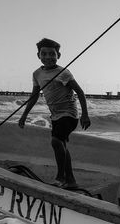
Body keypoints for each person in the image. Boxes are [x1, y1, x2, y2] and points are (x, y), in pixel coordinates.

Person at [18, 38, 91, 189]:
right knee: (62, 145)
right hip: (56, 116)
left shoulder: (64, 73)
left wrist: (85, 115)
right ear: (38, 55)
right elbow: (34, 96)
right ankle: (71, 181)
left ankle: (60, 177)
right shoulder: (37, 74)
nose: (48, 57)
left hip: (70, 115)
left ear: (59, 55)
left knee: (56, 142)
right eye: (44, 53)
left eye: (52, 54)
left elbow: (80, 92)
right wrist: (24, 115)